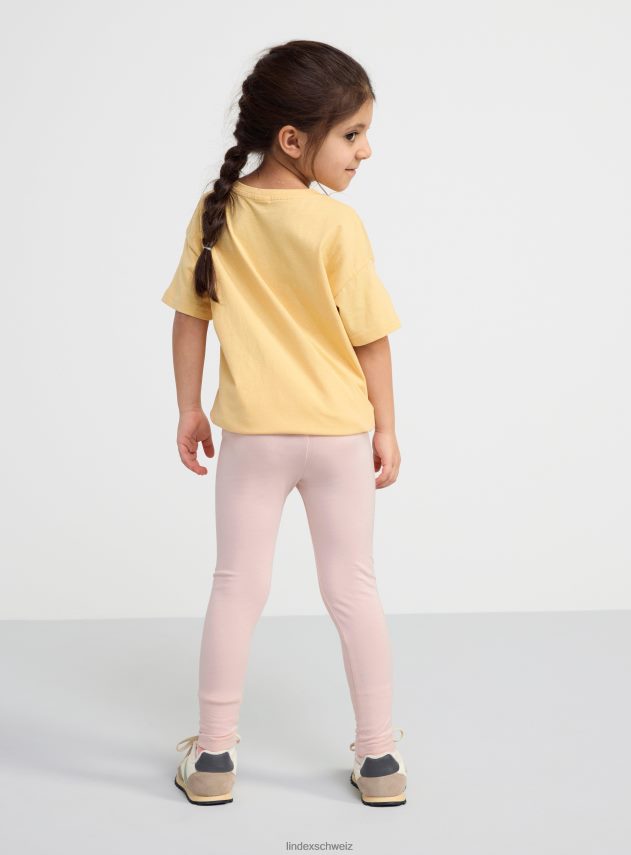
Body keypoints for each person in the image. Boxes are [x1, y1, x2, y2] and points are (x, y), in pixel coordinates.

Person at [163, 40, 407, 808]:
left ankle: (213, 756)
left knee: (236, 587)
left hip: (255, 438)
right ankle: (378, 760)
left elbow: (189, 320)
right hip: (338, 436)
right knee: (353, 588)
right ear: (293, 139)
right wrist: (386, 427)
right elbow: (371, 337)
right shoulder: (337, 226)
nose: (365, 150)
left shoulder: (218, 213)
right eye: (352, 134)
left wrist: (189, 407)